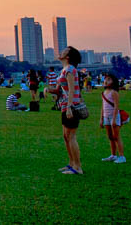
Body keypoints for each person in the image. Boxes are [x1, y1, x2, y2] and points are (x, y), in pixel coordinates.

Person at [48, 46, 84, 175]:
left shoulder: (70, 70)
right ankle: (71, 164)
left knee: (71, 136)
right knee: (66, 136)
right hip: (64, 106)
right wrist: (49, 90)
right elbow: (60, 90)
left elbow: (72, 89)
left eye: (64, 51)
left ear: (68, 56)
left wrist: (69, 107)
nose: (61, 51)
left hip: (71, 106)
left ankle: (78, 167)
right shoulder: (63, 70)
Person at [100, 72, 126, 164]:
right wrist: (101, 119)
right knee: (110, 137)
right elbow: (102, 106)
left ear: (113, 82)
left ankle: (122, 156)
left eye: (109, 79)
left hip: (113, 117)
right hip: (106, 117)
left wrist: (114, 119)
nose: (106, 81)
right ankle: (113, 155)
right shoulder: (103, 93)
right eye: (105, 79)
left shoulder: (114, 92)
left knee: (116, 137)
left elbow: (116, 106)